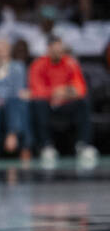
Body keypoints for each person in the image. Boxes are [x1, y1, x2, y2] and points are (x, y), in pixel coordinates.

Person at [28, 36, 97, 166]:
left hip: (66, 102)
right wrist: (56, 92)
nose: (59, 54)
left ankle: (84, 145)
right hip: (47, 104)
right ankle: (46, 146)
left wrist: (63, 93)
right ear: (48, 49)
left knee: (83, 103)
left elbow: (80, 89)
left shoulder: (70, 63)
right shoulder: (38, 64)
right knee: (38, 103)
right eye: (56, 51)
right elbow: (36, 90)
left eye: (61, 51)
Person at [0, 37, 32, 161]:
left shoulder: (18, 67)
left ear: (8, 50)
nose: (0, 51)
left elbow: (18, 88)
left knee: (18, 102)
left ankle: (14, 136)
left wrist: (3, 97)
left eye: (3, 49)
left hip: (13, 100)